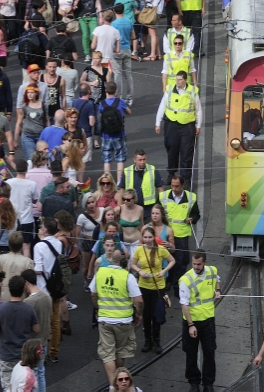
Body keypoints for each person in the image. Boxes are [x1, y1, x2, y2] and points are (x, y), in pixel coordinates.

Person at [90, 247, 143, 388]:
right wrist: (138, 314)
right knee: (120, 352)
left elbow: (93, 294)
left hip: (105, 320)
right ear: (125, 261)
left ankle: (113, 387)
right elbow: (139, 300)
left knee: (107, 354)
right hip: (124, 321)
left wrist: (97, 308)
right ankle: (121, 385)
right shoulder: (128, 277)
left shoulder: (100, 273)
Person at [179, 250, 220, 392]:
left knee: (209, 352)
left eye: (198, 264)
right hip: (192, 322)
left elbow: (217, 279)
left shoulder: (212, 271)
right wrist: (190, 325)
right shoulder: (186, 280)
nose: (196, 267)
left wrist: (218, 290)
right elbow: (184, 304)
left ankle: (208, 383)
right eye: (194, 264)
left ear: (205, 263)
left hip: (208, 320)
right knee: (191, 353)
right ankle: (194, 383)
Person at [0, 275, 40, 392]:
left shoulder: (1, 308)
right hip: (24, 356)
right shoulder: (28, 309)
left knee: (8, 387)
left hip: (6, 355)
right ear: (23, 290)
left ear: (9, 290)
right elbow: (36, 329)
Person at [131, 225, 172, 354]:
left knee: (157, 315)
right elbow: (132, 264)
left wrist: (163, 271)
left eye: (149, 237)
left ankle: (157, 340)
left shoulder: (160, 249)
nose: (147, 239)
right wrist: (139, 271)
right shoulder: (139, 250)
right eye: (145, 237)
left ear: (154, 237)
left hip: (158, 287)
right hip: (144, 286)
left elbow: (172, 261)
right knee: (146, 315)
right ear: (142, 238)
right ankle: (148, 340)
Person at [155, 70, 202, 183]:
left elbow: (198, 110)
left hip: (187, 126)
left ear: (185, 80)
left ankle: (185, 178)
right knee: (172, 150)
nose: (177, 82)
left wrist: (198, 125)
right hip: (171, 125)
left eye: (180, 79)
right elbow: (162, 106)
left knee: (186, 152)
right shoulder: (170, 89)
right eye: (176, 79)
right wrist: (158, 122)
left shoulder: (192, 91)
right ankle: (171, 174)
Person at [160, 174, 200, 295]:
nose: (174, 189)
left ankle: (178, 285)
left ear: (182, 185)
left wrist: (192, 218)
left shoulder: (191, 197)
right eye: (172, 186)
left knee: (181, 261)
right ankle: (168, 282)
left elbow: (196, 214)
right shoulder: (163, 196)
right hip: (167, 233)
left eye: (177, 186)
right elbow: (158, 212)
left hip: (182, 234)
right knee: (166, 259)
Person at [33, 217, 64, 363]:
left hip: (43, 289)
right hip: (56, 287)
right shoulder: (59, 244)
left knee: (42, 321)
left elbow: (38, 270)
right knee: (55, 321)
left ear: (45, 229)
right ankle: (54, 351)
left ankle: (42, 352)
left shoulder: (39, 246)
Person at [21, 270, 52, 392]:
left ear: (26, 283)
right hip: (43, 341)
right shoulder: (47, 297)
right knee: (41, 373)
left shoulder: (28, 302)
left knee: (31, 375)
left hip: (32, 344)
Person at [99, 79, 131, 180]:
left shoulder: (102, 103)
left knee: (107, 160)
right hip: (119, 134)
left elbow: (100, 118)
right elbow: (129, 112)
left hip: (106, 135)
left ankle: (106, 182)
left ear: (105, 90)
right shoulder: (120, 102)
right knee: (120, 159)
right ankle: (119, 182)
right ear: (116, 90)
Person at [119, 149, 163, 221]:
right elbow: (121, 191)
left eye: (144, 159)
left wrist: (160, 205)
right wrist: (121, 207)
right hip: (132, 207)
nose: (142, 162)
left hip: (149, 209)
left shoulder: (152, 169)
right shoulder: (127, 171)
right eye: (140, 160)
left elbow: (160, 188)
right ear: (134, 160)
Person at [0, 232, 34, 302]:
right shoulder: (28, 262)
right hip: (22, 299)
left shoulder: (0, 259)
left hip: (3, 298)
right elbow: (29, 284)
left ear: (8, 244)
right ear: (22, 245)